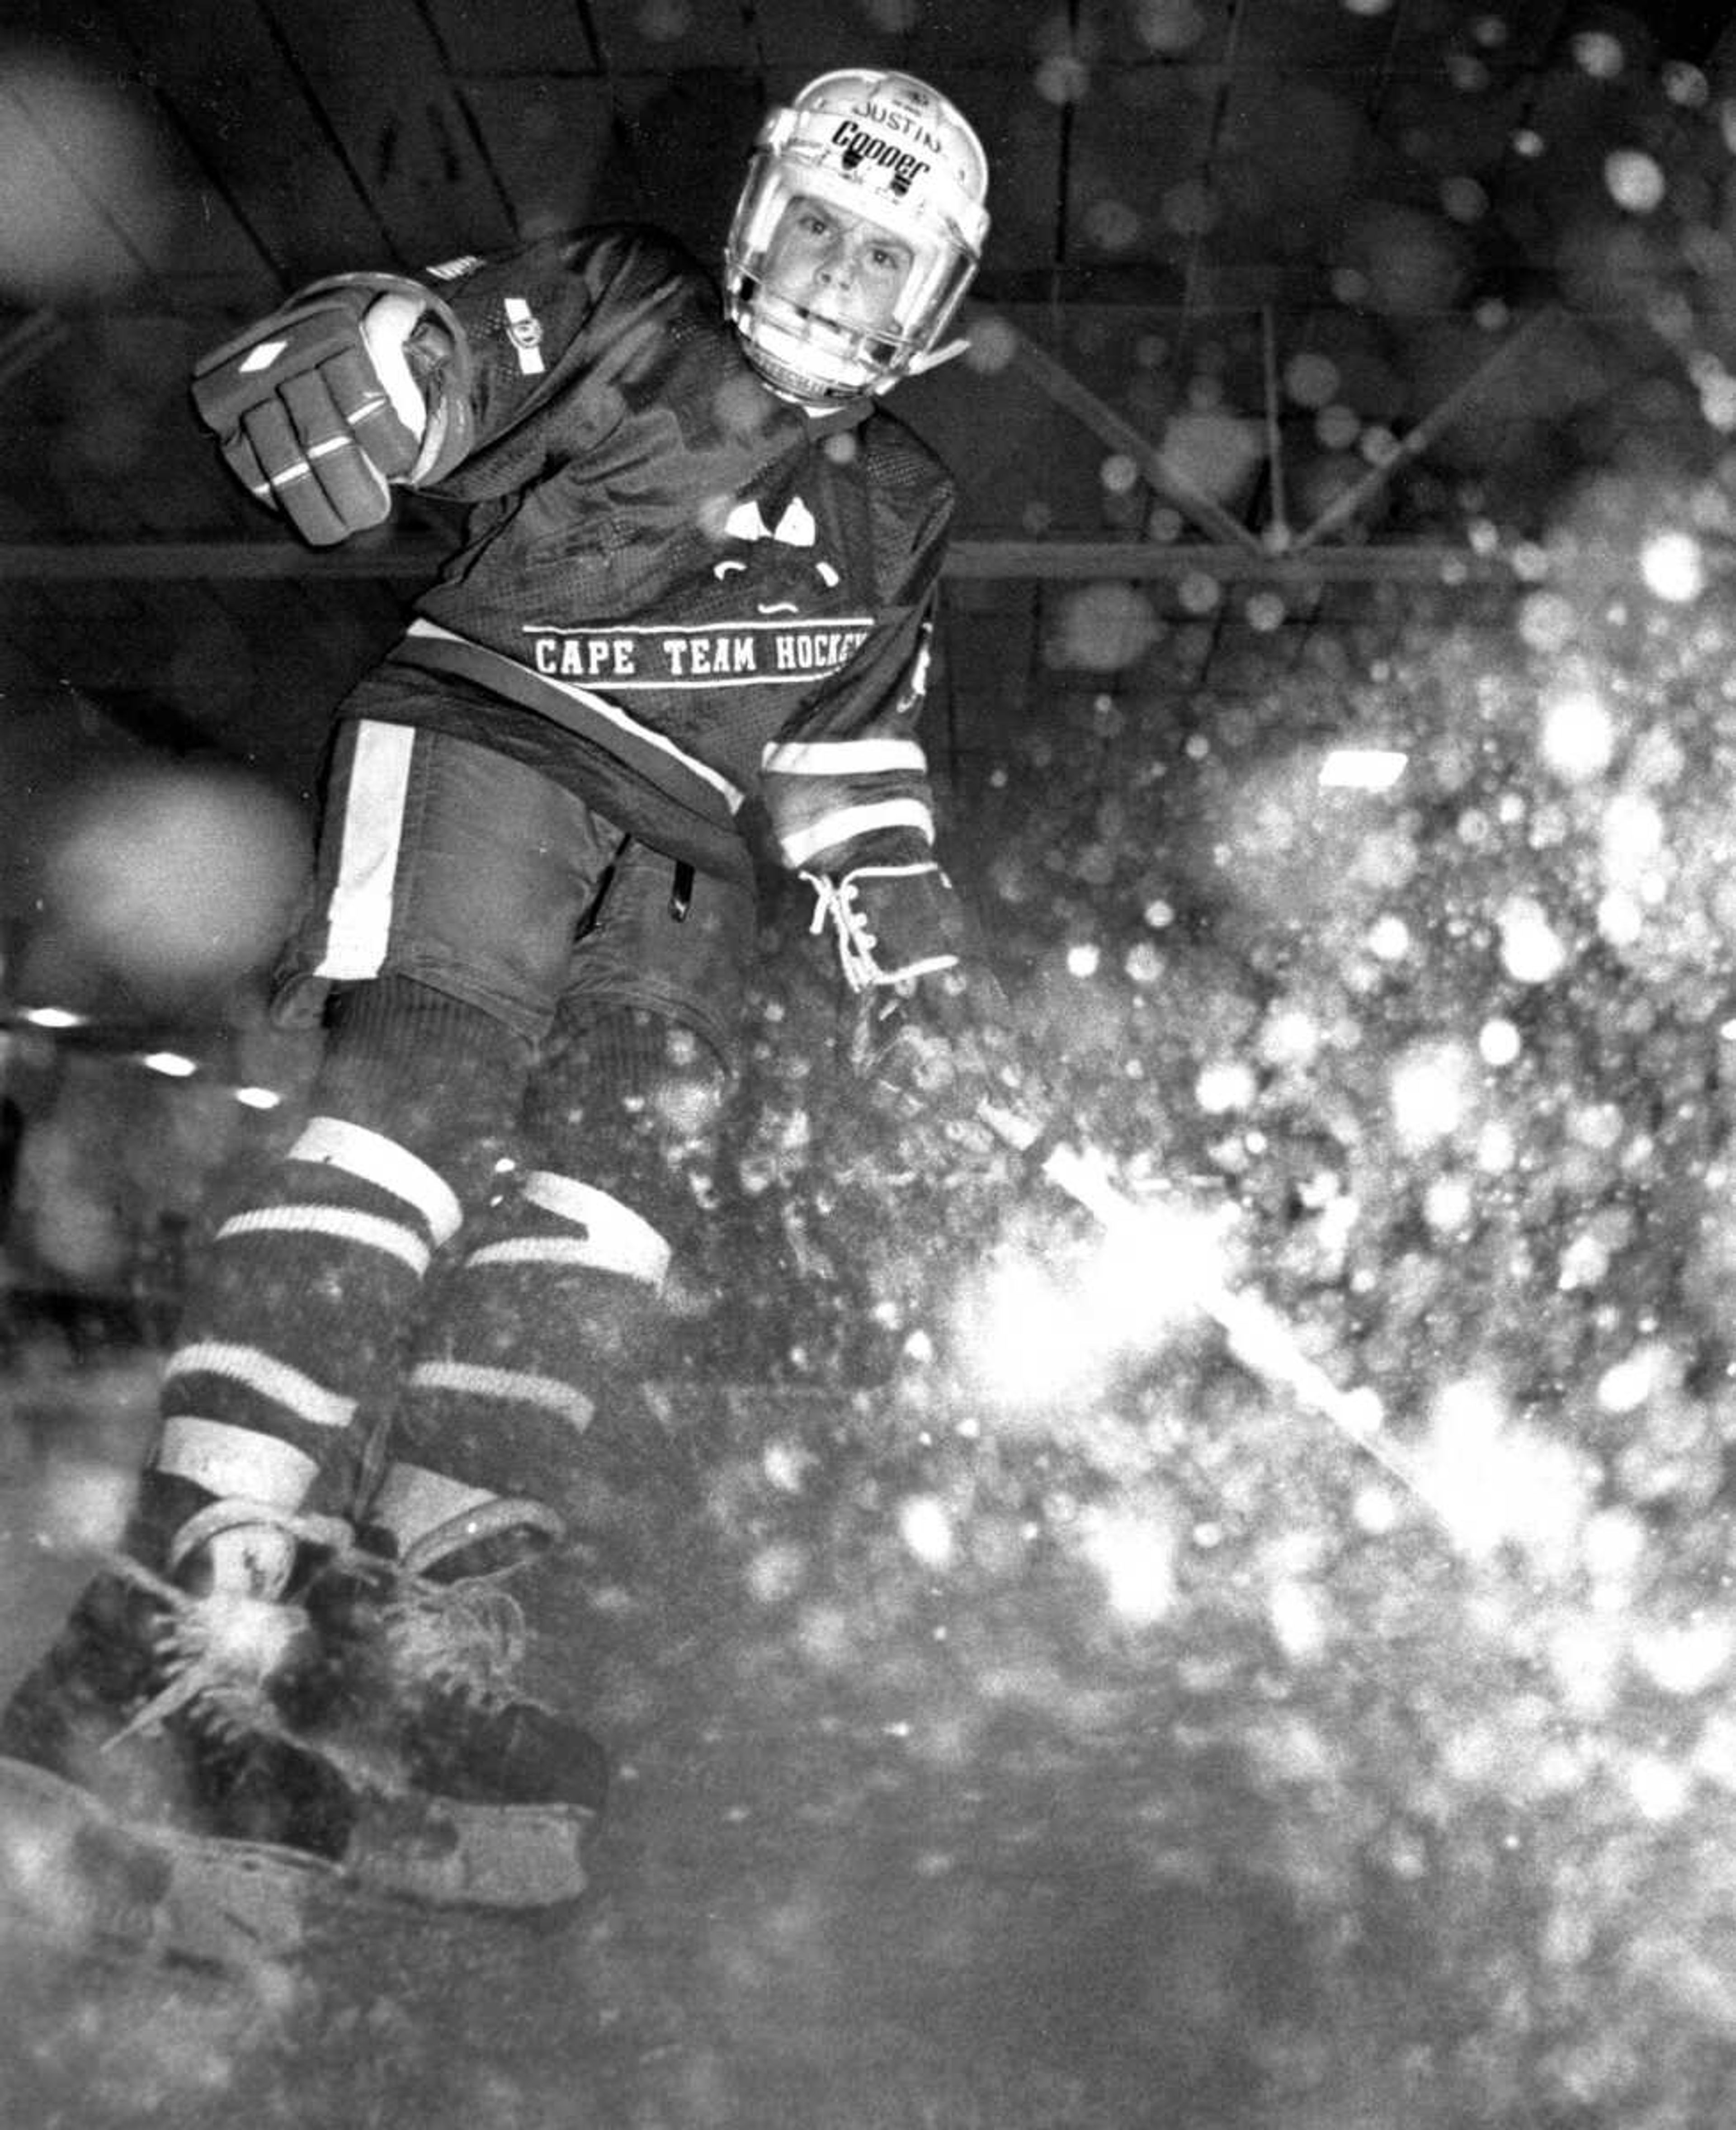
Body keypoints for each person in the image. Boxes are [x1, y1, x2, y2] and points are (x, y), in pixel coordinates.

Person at [0, 69, 991, 1912]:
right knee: (420, 1123)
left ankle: (400, 1631)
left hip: (692, 855)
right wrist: (388, 350)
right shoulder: (635, 310)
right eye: (820, 231)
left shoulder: (905, 503)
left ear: (931, 304)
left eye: (886, 255)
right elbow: (464, 343)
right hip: (495, 745)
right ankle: (170, 1628)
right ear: (760, 223)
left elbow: (856, 768)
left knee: (611, 1213)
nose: (840, 276)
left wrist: (920, 985)